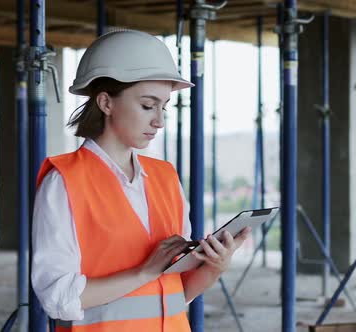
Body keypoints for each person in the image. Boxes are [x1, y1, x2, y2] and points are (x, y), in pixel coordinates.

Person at [31, 29, 251, 331]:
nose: (159, 120)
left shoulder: (165, 178)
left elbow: (177, 293)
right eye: (148, 106)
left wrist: (215, 267)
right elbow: (57, 298)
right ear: (106, 103)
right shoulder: (64, 182)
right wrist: (143, 273)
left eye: (163, 107)